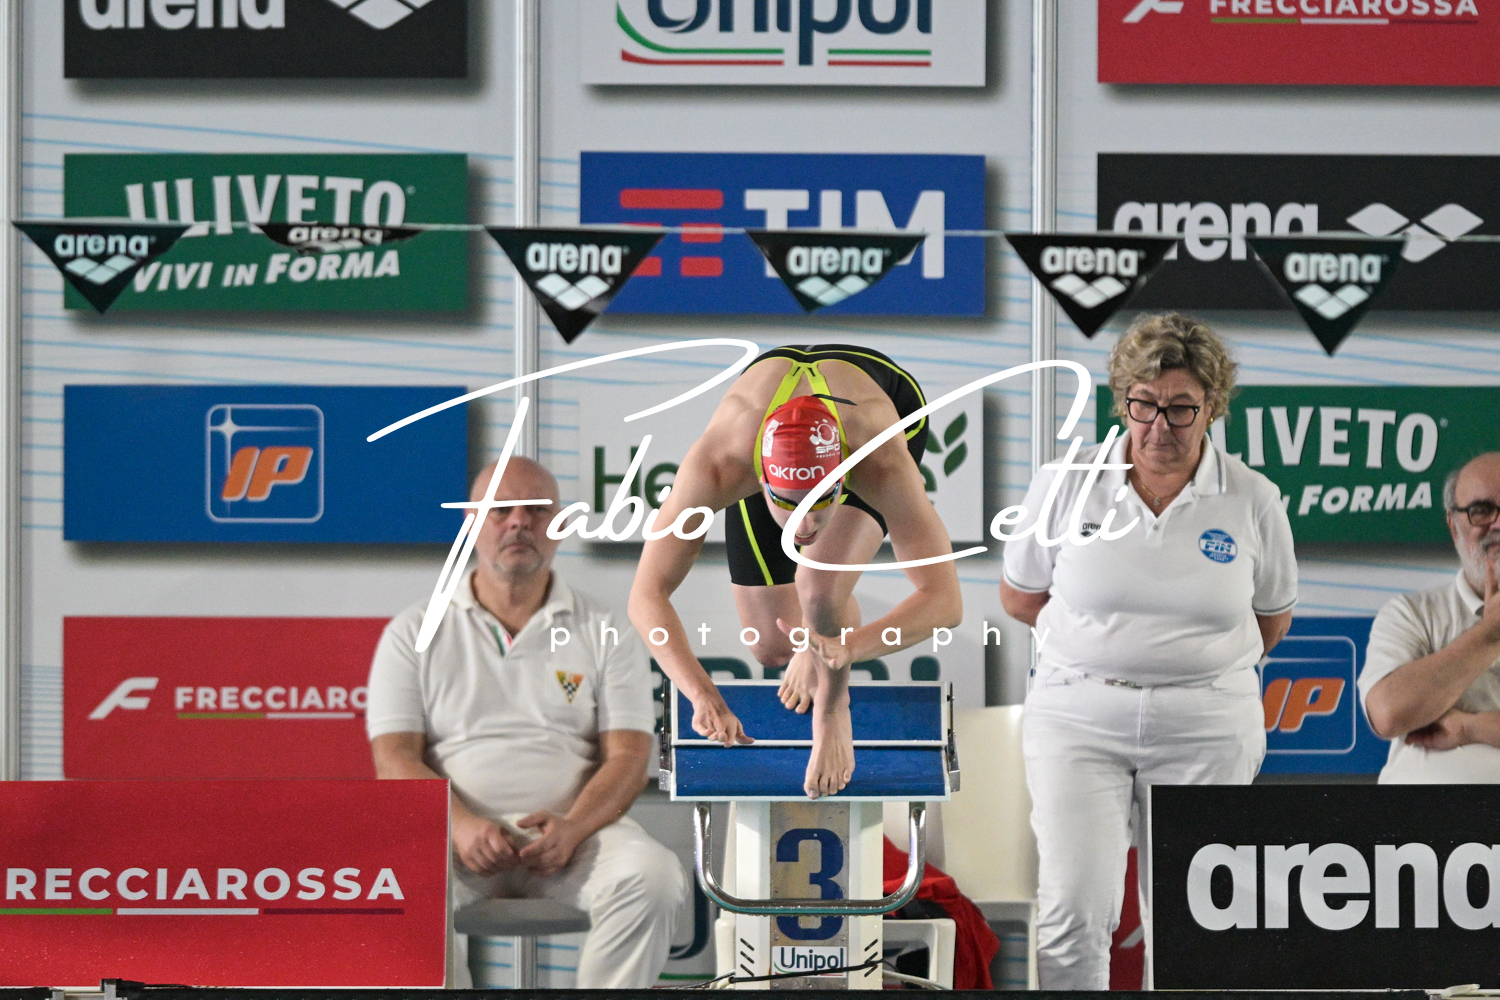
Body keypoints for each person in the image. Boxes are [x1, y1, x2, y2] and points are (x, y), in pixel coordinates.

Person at [999, 313, 1297, 990]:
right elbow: (1020, 595)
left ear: (1213, 407)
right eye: (1144, 404)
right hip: (1077, 719)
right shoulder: (1066, 480)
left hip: (1206, 726)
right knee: (1072, 911)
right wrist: (1103, 653)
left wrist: (1185, 666)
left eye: (1181, 408)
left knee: (1194, 922)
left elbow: (1271, 619)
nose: (1160, 426)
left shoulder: (1252, 498)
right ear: (1123, 401)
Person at [366, 456, 687, 989]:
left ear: (558, 524)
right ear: (471, 523)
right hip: (449, 838)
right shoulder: (412, 630)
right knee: (394, 883)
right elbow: (393, 758)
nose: (519, 521)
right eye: (500, 510)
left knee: (652, 876)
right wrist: (461, 826)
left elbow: (630, 757)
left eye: (536, 509)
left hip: (575, 838)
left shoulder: (606, 628)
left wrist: (574, 828)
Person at [629, 344, 962, 799]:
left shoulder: (879, 462)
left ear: (842, 480)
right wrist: (700, 694)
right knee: (771, 646)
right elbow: (646, 596)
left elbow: (945, 601)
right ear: (759, 480)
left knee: (818, 589)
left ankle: (833, 709)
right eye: (788, 504)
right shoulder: (721, 465)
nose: (803, 526)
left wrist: (848, 648)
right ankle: (820, 627)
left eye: (820, 501)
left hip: (877, 408)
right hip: (760, 420)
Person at [1360, 452, 1500, 782]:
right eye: (1481, 511)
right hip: (1421, 813)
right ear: (1453, 525)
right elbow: (1388, 713)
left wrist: (1469, 727)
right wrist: (1490, 634)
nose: (1498, 524)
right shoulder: (1412, 614)